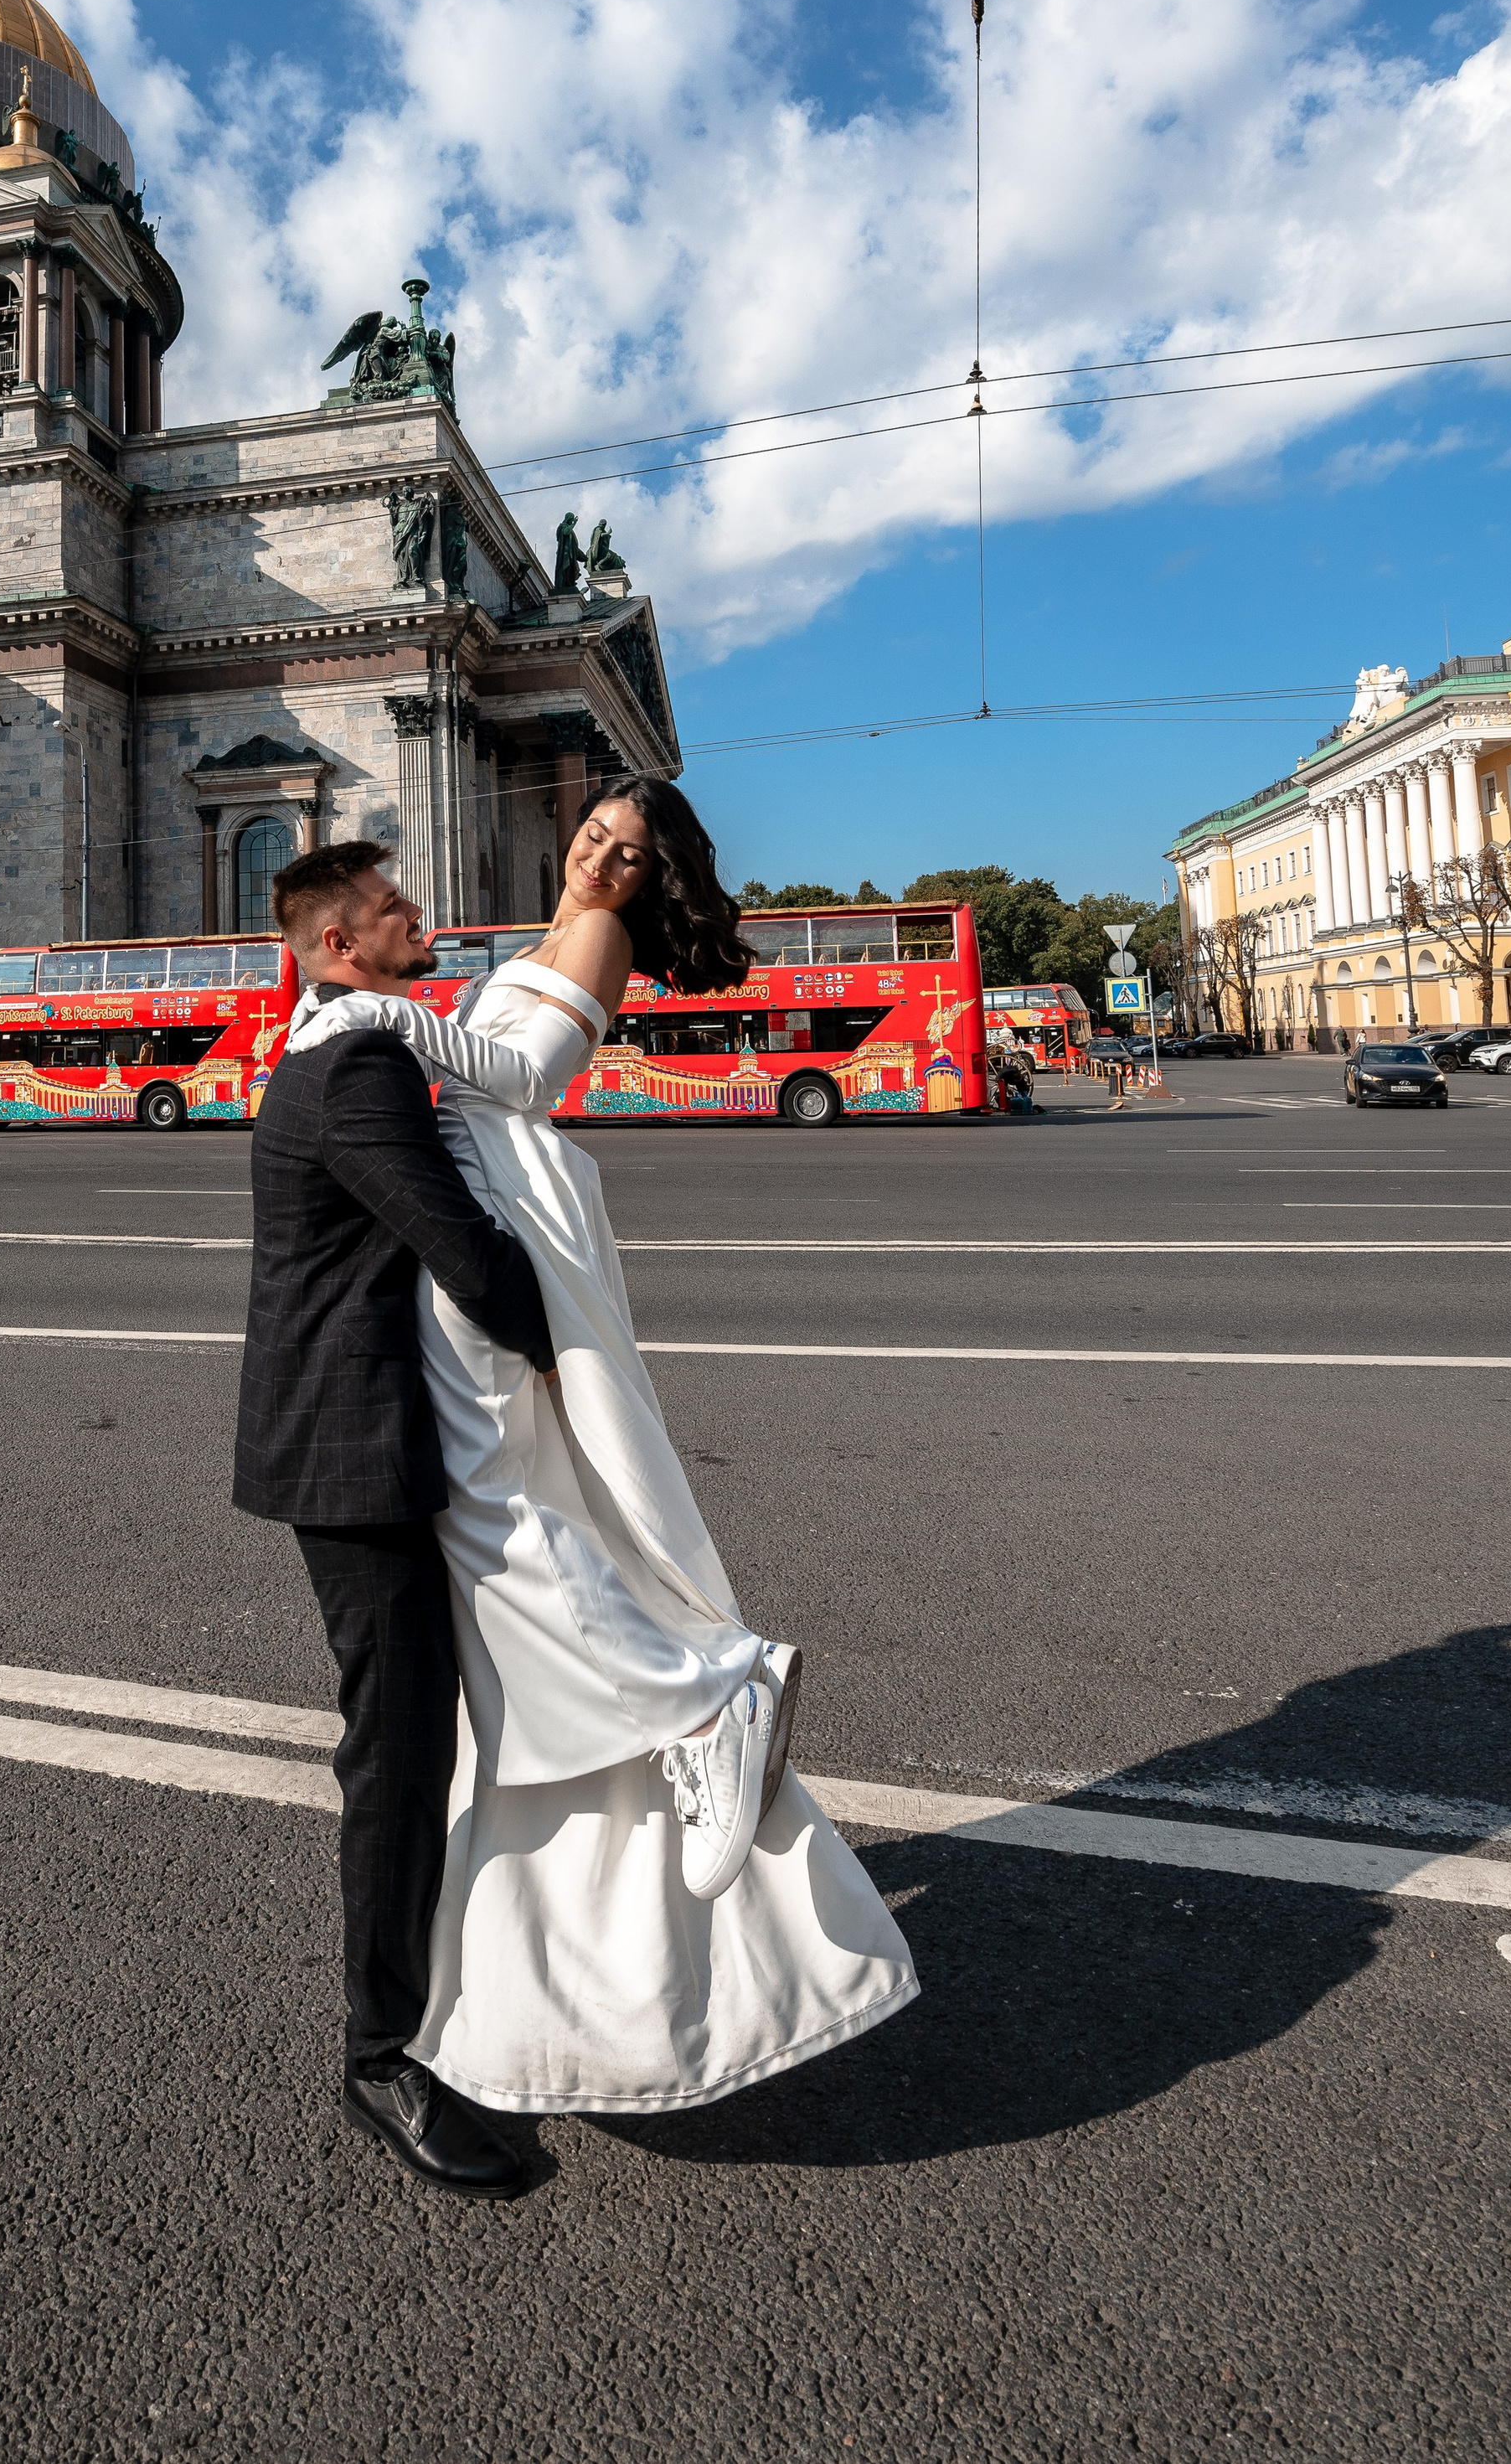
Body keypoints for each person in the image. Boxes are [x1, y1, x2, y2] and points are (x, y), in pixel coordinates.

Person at [275, 782, 916, 2131]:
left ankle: (708, 1698)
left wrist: (375, 1014)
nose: (603, 857)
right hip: (491, 1205)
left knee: (508, 1509)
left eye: (631, 852)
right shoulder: (524, 946)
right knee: (525, 1516)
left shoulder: (592, 943)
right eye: (597, 833)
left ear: (652, 876)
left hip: (511, 1218)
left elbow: (518, 1080)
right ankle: (663, 1745)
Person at [235, 842, 558, 2199]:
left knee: (432, 1737)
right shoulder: (356, 1067)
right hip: (353, 1449)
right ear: (336, 946)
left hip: (374, 1433)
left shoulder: (343, 1043)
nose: (418, 917)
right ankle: (381, 2053)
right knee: (400, 1753)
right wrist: (580, 1363)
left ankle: (456, 1985)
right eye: (390, 909)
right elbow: (462, 1249)